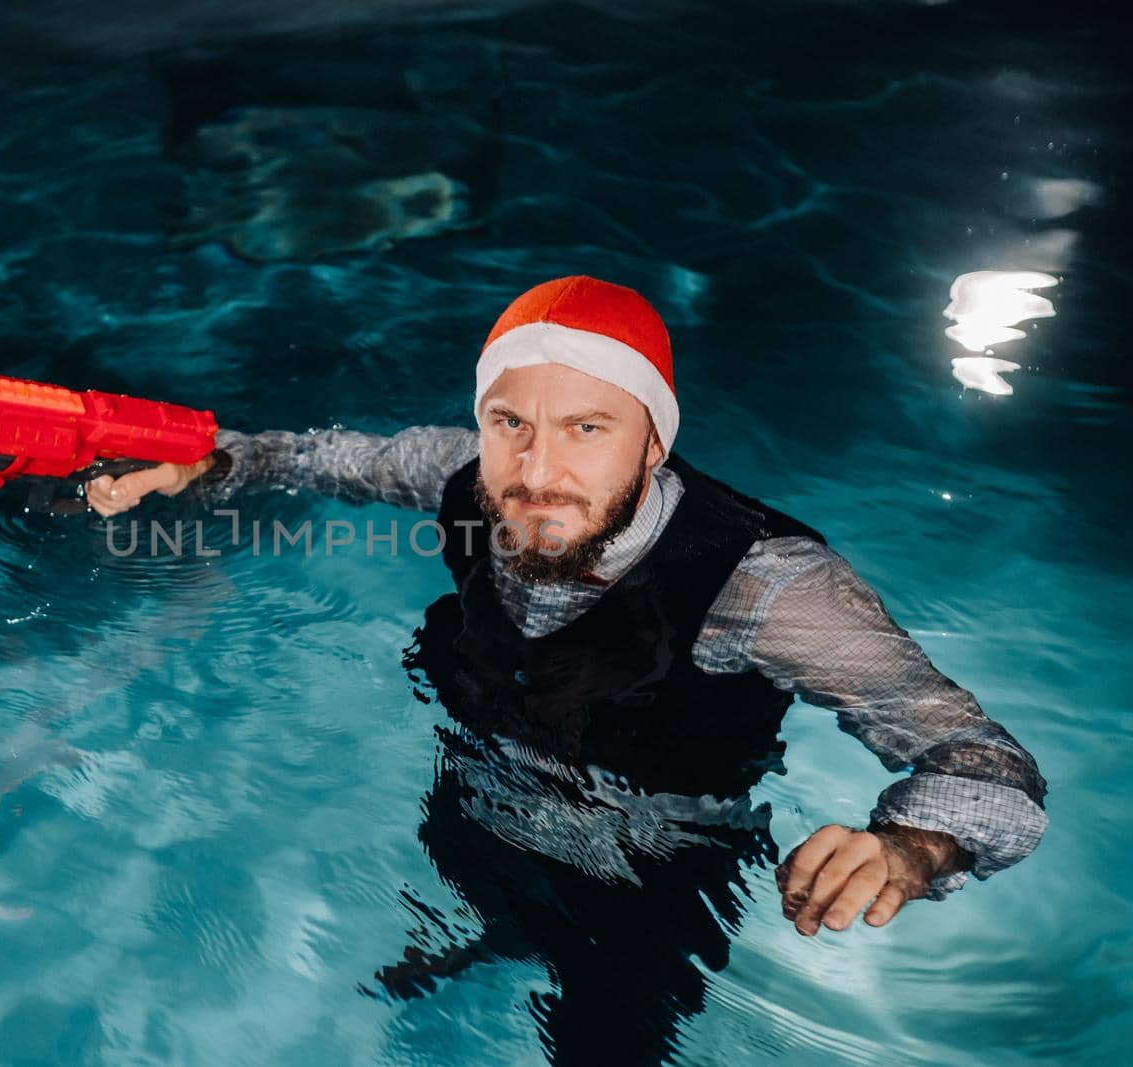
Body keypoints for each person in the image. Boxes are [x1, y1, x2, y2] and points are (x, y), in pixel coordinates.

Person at [85, 276, 1049, 1063]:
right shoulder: (464, 470)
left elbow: (985, 766)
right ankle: (499, 935)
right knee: (486, 884)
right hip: (483, 780)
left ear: (655, 440)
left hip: (654, 860)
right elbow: (319, 456)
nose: (538, 468)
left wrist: (911, 850)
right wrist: (208, 465)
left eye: (589, 428)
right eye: (513, 423)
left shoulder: (763, 583)